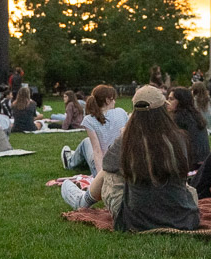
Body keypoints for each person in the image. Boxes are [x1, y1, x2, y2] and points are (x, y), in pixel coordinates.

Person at [77, 86, 200, 232]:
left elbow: (108, 165)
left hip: (136, 221)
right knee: (187, 189)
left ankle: (84, 200)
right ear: (163, 110)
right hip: (183, 219)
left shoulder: (128, 140)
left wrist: (123, 137)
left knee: (109, 174)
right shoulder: (179, 138)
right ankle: (83, 199)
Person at [61, 84, 128, 175]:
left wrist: (101, 175)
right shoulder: (121, 112)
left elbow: (97, 151)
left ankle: (70, 162)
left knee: (86, 142)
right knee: (88, 143)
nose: (115, 102)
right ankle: (78, 159)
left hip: (105, 165)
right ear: (108, 100)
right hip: (122, 164)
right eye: (113, 99)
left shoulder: (89, 119)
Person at [167, 86, 209, 167]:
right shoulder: (196, 116)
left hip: (191, 164)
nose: (168, 102)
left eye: (171, 99)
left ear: (181, 101)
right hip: (204, 162)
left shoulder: (179, 118)